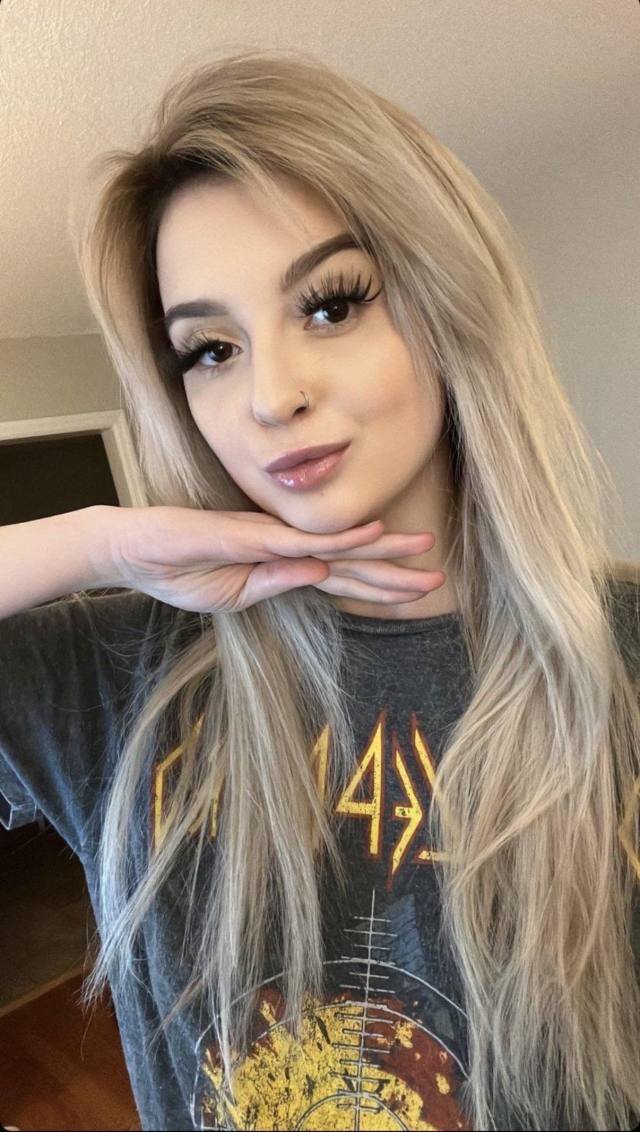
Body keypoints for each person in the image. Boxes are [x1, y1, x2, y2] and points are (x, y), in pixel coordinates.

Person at [1, 46, 639, 1132]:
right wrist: (97, 542)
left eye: (331, 305)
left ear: (447, 301)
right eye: (211, 349)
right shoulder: (114, 671)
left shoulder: (618, 655)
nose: (271, 395)